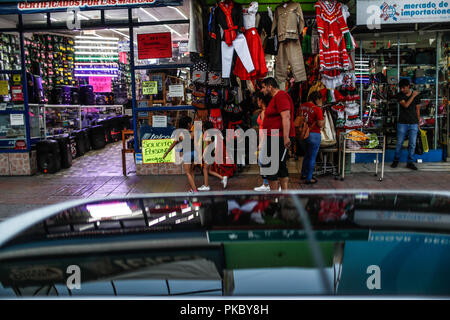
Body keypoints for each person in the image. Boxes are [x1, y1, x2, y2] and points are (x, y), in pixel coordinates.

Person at [260, 77, 296, 191]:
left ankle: (274, 196)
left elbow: (286, 117)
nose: (262, 90)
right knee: (280, 166)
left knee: (270, 166)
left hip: (279, 137)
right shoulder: (275, 98)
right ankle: (282, 195)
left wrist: (286, 138)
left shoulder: (281, 96)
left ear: (270, 87)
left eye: (263, 87)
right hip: (275, 136)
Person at [163, 116, 200, 193]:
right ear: (187, 124)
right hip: (195, 153)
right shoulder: (192, 132)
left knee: (187, 173)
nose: (191, 124)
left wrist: (166, 153)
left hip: (187, 154)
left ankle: (195, 190)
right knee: (192, 172)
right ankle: (192, 188)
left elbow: (173, 144)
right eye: (190, 123)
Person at [391, 78, 421, 170]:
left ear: (408, 86)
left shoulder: (416, 96)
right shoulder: (400, 95)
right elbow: (406, 105)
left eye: (404, 88)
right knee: (399, 143)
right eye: (401, 88)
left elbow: (418, 110)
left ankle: (410, 162)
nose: (402, 90)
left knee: (412, 144)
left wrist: (418, 122)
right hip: (402, 122)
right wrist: (413, 95)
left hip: (413, 123)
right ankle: (396, 160)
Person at [298, 91, 325, 184]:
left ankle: (303, 174)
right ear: (317, 99)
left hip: (302, 134)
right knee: (312, 157)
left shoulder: (301, 107)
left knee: (307, 155)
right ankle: (309, 178)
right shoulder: (317, 109)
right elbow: (320, 124)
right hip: (314, 135)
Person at [198, 121, 228, 191]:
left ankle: (206, 186)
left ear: (205, 128)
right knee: (209, 170)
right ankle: (222, 178)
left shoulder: (206, 134)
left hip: (208, 154)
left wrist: (203, 155)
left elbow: (207, 146)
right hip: (213, 153)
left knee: (205, 169)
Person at [254, 92, 271, 192]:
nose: (257, 102)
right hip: (265, 140)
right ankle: (267, 183)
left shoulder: (265, 112)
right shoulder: (265, 111)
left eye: (257, 100)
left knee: (262, 161)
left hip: (264, 140)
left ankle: (266, 184)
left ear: (261, 100)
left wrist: (261, 143)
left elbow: (265, 128)